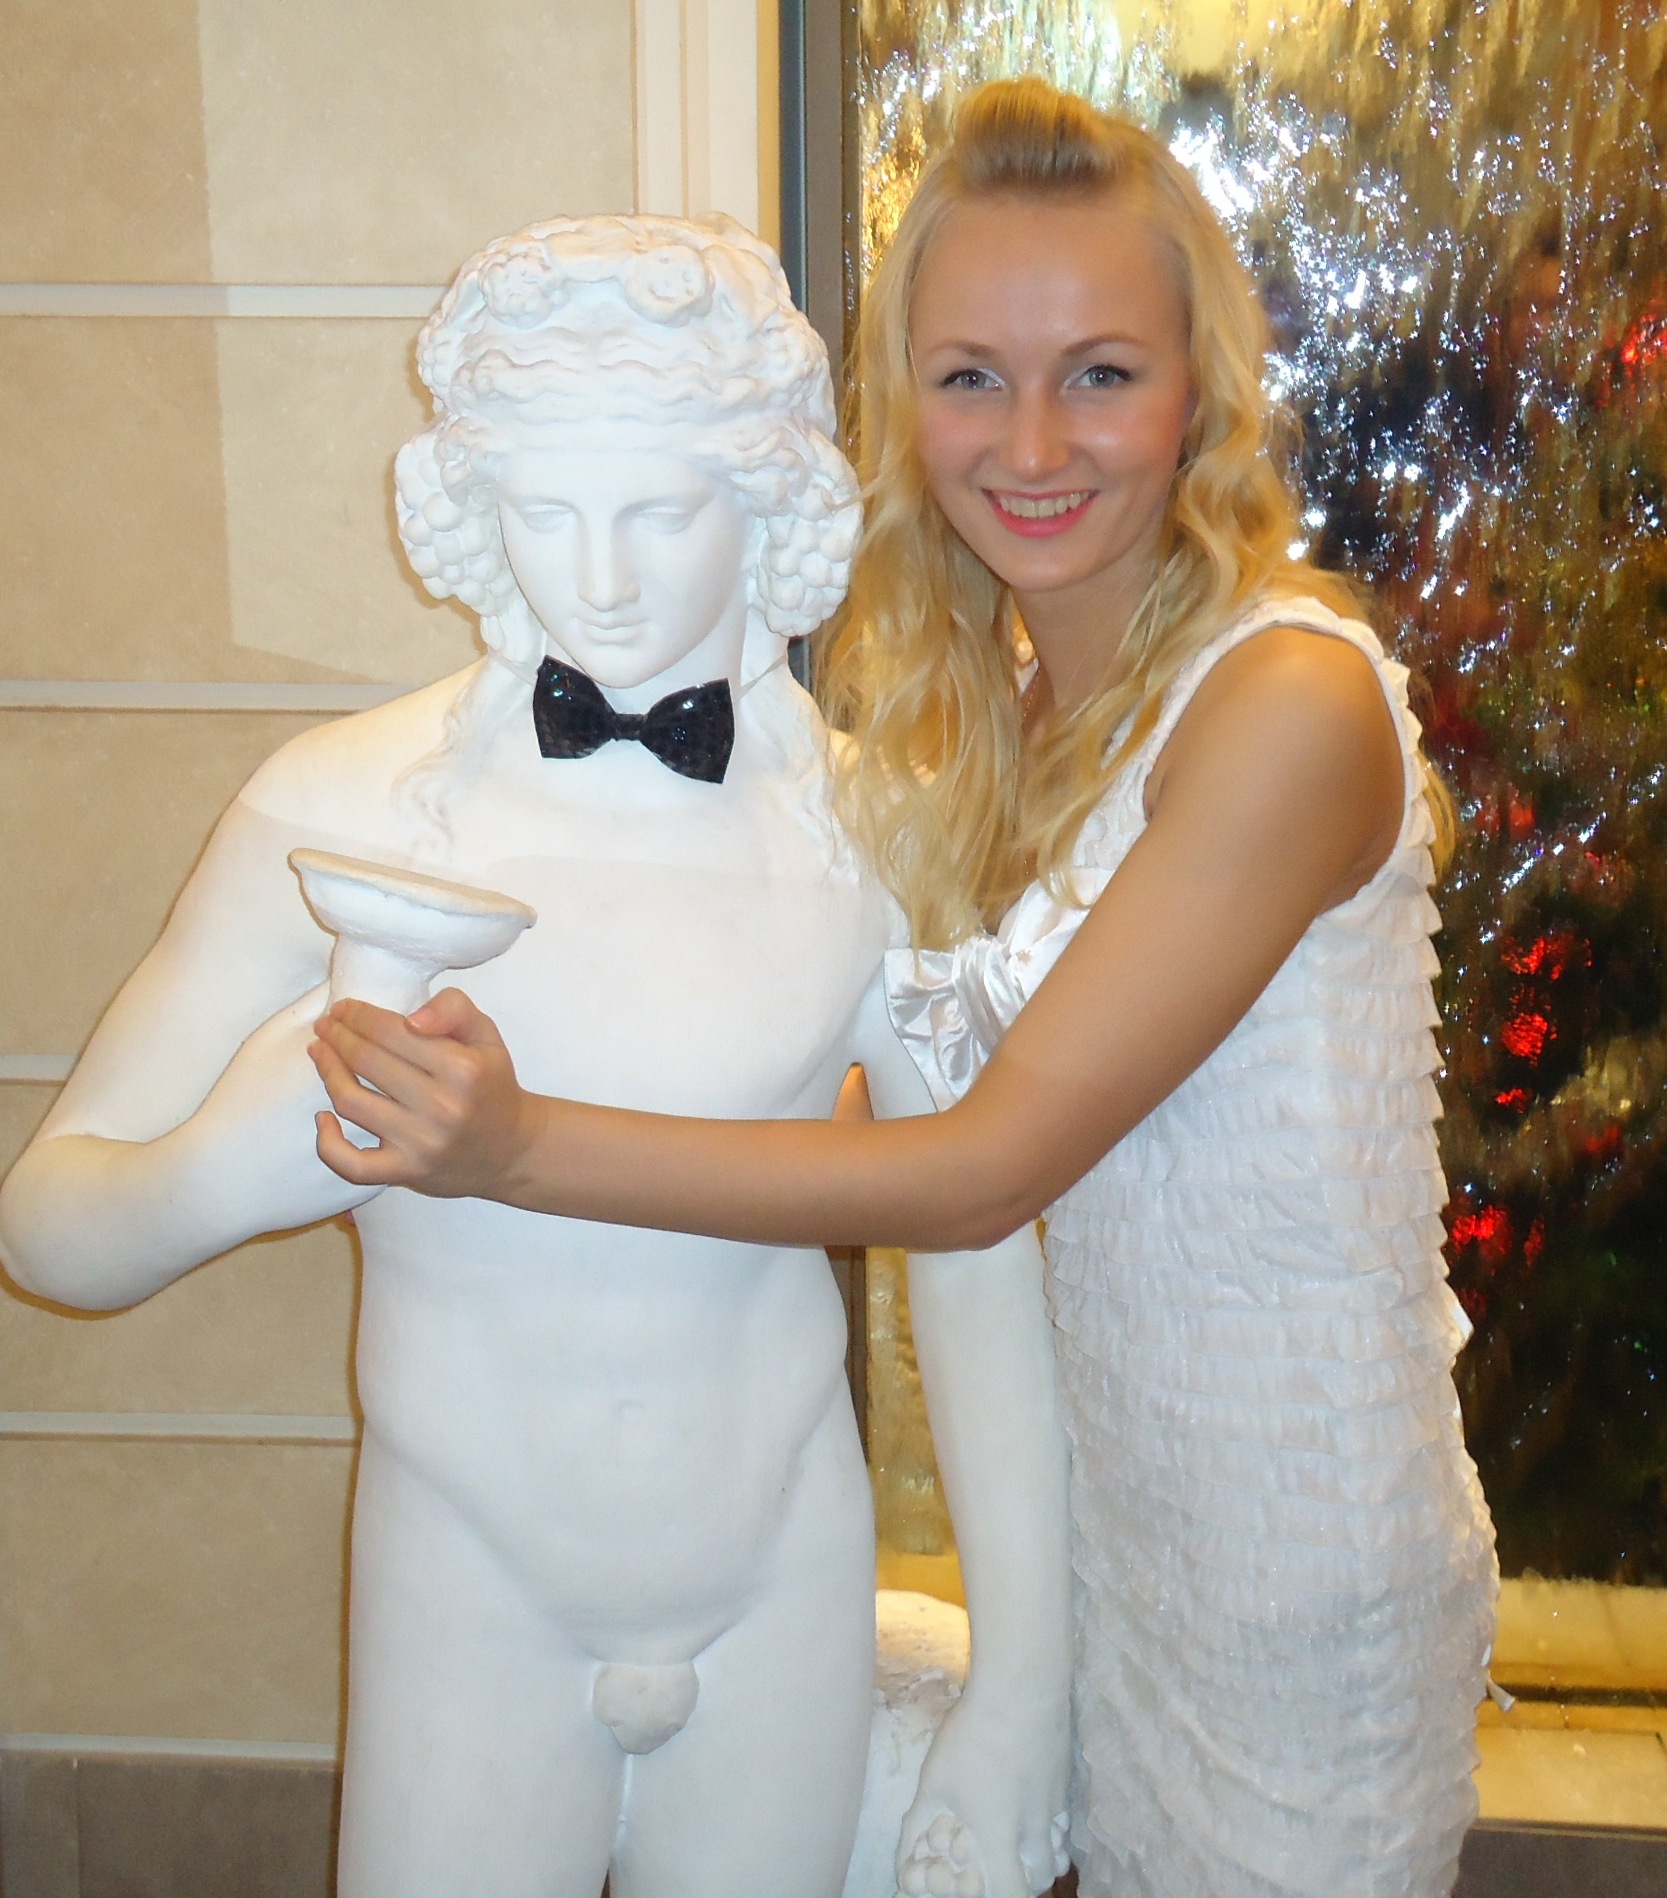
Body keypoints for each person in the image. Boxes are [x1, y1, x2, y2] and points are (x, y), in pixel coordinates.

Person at [311, 83, 1500, 1898]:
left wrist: (522, 1145)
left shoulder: (1289, 704)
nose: (1031, 440)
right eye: (968, 377)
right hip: (1120, 1524)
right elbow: (909, 1097)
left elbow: (978, 1170)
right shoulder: (1014, 710)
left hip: (1298, 1558)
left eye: (1100, 373)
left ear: (1199, 392)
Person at [0, 214, 1072, 1898]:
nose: (602, 578)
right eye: (547, 513)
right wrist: (230, 1163)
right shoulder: (336, 808)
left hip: (781, 1575)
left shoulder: (877, 832)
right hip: (469, 1583)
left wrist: (1025, 1689)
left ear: (768, 501)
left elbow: (979, 1250)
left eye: (660, 513)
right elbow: (52, 1224)